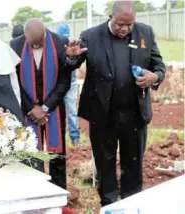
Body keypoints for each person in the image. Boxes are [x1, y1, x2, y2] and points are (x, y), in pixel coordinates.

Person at [65, 0, 166, 206]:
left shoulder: (145, 32)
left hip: (134, 114)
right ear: (111, 17)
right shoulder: (91, 36)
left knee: (133, 164)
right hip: (102, 114)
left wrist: (153, 77)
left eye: (129, 25)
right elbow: (73, 64)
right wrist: (71, 59)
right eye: (120, 24)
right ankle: (109, 205)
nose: (124, 29)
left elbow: (159, 65)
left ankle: (131, 205)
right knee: (105, 164)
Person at [10, 18, 76, 190]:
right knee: (31, 156)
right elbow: (13, 82)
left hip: (54, 109)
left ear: (45, 32)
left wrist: (45, 107)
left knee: (57, 158)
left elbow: (64, 80)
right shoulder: (14, 46)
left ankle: (59, 194)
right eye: (32, 44)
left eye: (39, 43)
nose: (35, 46)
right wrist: (32, 108)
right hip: (27, 110)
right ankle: (34, 194)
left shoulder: (60, 42)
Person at [56, 24, 80, 146]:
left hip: (71, 84)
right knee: (57, 113)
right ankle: (58, 140)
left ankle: (75, 138)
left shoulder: (72, 47)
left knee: (72, 112)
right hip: (58, 86)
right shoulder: (55, 46)